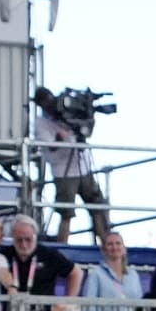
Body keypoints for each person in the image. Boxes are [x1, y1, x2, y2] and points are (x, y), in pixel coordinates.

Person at [32, 87, 109, 245]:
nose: (49, 105)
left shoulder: (70, 111)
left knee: (97, 206)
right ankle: (63, 246)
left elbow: (86, 132)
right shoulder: (41, 123)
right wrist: (60, 138)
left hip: (83, 166)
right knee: (66, 212)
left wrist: (88, 115)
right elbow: (50, 146)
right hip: (63, 172)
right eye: (45, 102)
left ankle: (106, 243)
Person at [80, 231, 145, 311]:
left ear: (124, 248)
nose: (114, 247)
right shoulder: (96, 274)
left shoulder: (133, 275)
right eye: (110, 244)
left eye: (118, 243)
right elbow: (89, 306)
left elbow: (139, 304)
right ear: (104, 250)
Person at [1, 214, 75, 299]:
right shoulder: (4, 255)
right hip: (11, 306)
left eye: (28, 239)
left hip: (44, 306)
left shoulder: (48, 254)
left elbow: (76, 273)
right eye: (19, 240)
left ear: (35, 236)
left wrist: (68, 302)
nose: (24, 244)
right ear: (13, 237)